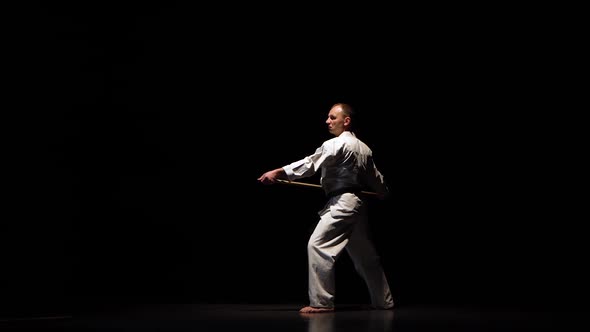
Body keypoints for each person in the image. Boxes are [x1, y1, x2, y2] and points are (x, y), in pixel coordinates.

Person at [257, 103, 394, 313]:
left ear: (346, 121)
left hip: (342, 203)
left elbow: (310, 164)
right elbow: (376, 178)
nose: (327, 121)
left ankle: (321, 302)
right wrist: (383, 192)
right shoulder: (365, 148)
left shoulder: (334, 144)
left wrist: (278, 172)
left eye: (332, 117)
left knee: (318, 245)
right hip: (356, 204)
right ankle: (384, 302)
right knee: (366, 256)